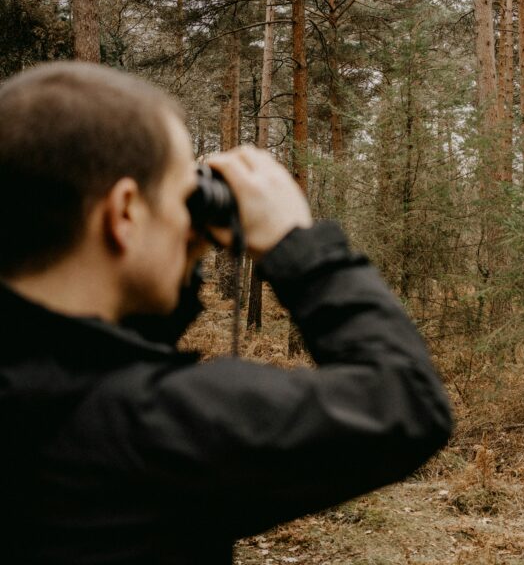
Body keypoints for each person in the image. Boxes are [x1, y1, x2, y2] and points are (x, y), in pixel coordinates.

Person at [0, 62, 453, 565]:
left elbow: (92, 350)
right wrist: (297, 246)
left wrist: (173, 256)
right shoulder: (149, 428)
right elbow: (407, 401)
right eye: (183, 197)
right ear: (125, 212)